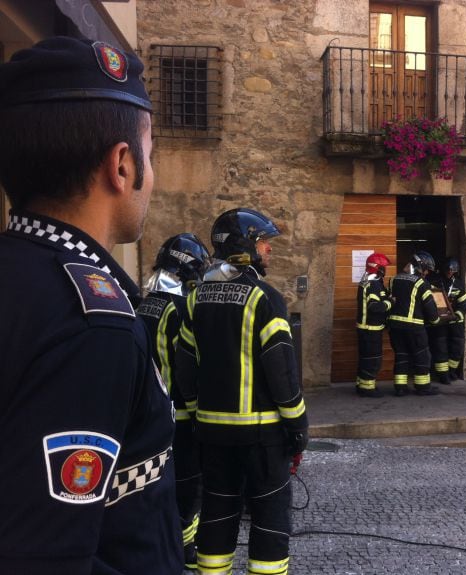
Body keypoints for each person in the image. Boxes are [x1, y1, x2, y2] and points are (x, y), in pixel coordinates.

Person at [0, 37, 183, 573]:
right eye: (150, 156)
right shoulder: (92, 324)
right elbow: (48, 558)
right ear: (122, 166)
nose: (153, 176)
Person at [176, 208, 308, 575]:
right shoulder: (264, 299)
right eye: (264, 243)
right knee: (269, 517)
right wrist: (298, 426)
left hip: (212, 435)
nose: (268, 251)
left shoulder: (195, 298)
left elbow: (184, 371)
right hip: (262, 437)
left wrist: (196, 415)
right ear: (245, 247)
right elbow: (283, 375)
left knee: (217, 513)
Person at [136, 233, 211, 569]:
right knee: (187, 483)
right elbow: (188, 365)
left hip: (146, 410)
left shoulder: (144, 302)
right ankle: (185, 546)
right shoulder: (178, 308)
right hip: (179, 413)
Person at [388, 251, 441, 396]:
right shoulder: (421, 284)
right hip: (414, 328)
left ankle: (400, 388)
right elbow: (430, 308)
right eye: (427, 270)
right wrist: (436, 320)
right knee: (422, 357)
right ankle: (423, 387)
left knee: (401, 356)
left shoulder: (394, 279)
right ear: (420, 267)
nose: (427, 273)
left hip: (394, 328)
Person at [355, 252, 393, 397]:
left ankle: (361, 385)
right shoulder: (373, 284)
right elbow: (375, 307)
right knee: (372, 359)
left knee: (365, 358)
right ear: (377, 268)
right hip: (371, 329)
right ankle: (367, 389)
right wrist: (391, 302)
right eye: (383, 267)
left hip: (364, 328)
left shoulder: (366, 281)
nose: (385, 270)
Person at [443, 258, 466, 382]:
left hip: (456, 323)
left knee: (456, 347)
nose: (449, 272)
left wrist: (457, 315)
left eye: (451, 271)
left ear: (455, 271)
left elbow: (463, 303)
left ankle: (452, 371)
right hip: (442, 322)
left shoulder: (458, 285)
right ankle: (443, 373)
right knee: (442, 347)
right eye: (448, 270)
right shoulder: (439, 282)